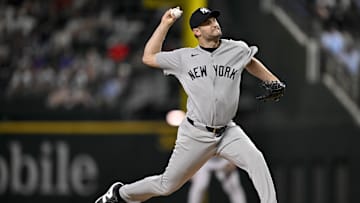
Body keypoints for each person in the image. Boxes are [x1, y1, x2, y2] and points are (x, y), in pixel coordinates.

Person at [95, 7, 285, 203]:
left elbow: (250, 61)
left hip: (228, 131)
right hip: (196, 134)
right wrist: (165, 24)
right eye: (208, 22)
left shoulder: (236, 49)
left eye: (214, 20)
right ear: (196, 32)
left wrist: (272, 81)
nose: (215, 24)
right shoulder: (183, 57)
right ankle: (119, 194)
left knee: (257, 160)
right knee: (166, 185)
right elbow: (149, 57)